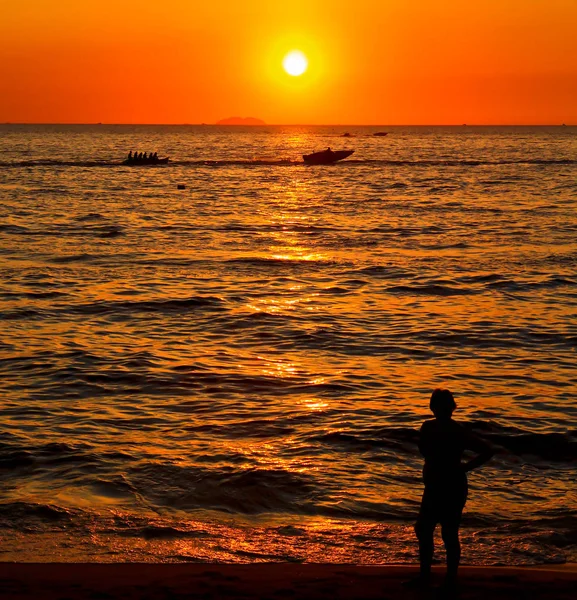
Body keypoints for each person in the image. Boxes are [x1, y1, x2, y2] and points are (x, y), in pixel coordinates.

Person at [412, 388, 494, 589]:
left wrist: (462, 467)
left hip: (442, 486)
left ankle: (430, 577)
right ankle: (447, 578)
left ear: (434, 407)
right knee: (444, 531)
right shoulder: (457, 431)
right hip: (451, 485)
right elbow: (487, 451)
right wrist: (464, 467)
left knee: (428, 529)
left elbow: (424, 451)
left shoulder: (430, 428)